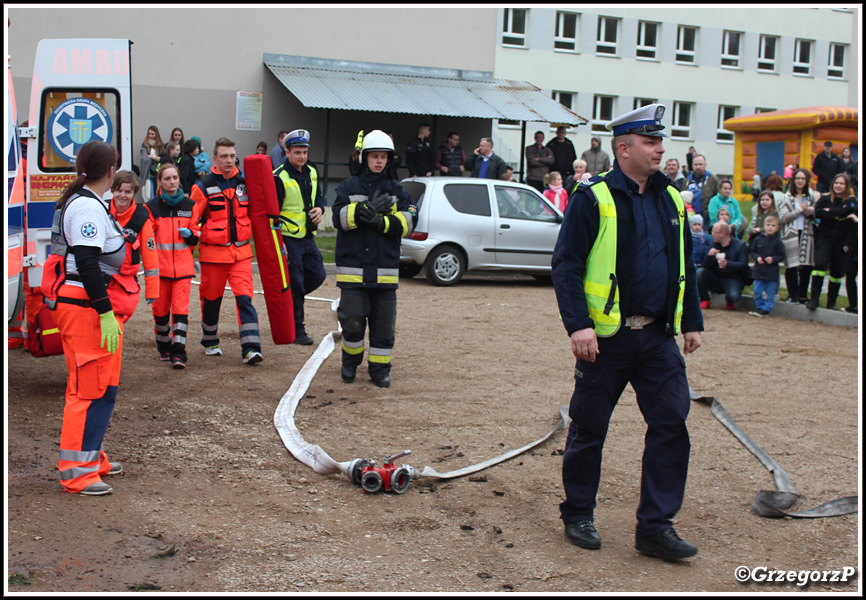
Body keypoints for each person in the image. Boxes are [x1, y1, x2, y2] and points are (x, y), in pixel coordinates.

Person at [551, 103, 703, 561]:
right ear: (624, 149)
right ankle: (578, 512)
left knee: (671, 425)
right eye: (651, 141)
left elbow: (684, 267)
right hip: (607, 338)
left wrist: (691, 321)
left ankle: (655, 528)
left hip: (657, 337)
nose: (660, 149)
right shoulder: (592, 197)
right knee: (590, 428)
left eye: (660, 141)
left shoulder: (672, 198)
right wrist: (578, 325)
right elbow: (567, 265)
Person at [42, 140, 129, 495]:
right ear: (110, 171)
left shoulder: (89, 203)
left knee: (103, 387)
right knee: (87, 389)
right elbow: (89, 263)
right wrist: (105, 311)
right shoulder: (87, 209)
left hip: (88, 305)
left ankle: (91, 457)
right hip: (86, 307)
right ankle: (76, 471)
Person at [332, 130, 417, 388]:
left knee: (383, 327)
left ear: (389, 160)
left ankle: (380, 371)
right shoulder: (348, 187)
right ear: (364, 158)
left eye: (383, 157)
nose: (379, 161)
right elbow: (337, 218)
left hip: (384, 271)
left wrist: (383, 222)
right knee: (352, 322)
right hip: (353, 271)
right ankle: (350, 362)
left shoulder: (398, 190)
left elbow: (411, 220)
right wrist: (362, 211)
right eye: (374, 156)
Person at [191, 137, 263, 364]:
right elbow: (192, 222)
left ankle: (251, 348)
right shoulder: (202, 187)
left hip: (241, 254)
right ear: (214, 159)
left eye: (232, 156)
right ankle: (210, 340)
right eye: (224, 156)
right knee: (211, 300)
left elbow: (258, 215)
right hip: (213, 255)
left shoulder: (246, 183)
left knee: (245, 299)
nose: (229, 160)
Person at [272, 128, 327, 345]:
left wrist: (320, 209)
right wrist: (279, 242)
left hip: (307, 237)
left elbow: (319, 196)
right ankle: (297, 330)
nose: (302, 156)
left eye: (304, 152)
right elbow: (272, 213)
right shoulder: (279, 176)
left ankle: (291, 302)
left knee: (318, 274)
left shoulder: (311, 171)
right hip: (289, 238)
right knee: (296, 281)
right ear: (287, 153)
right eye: (297, 152)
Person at [146, 163, 198, 368]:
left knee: (180, 312)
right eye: (167, 178)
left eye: (174, 177)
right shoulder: (151, 207)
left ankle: (179, 352)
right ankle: (164, 346)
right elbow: (148, 239)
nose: (172, 182)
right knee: (160, 313)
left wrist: (192, 235)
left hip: (183, 269)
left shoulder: (190, 205)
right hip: (160, 271)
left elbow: (196, 233)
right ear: (159, 182)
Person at [109, 170, 159, 324]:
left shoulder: (141, 217)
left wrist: (152, 289)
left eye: (127, 192)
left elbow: (150, 255)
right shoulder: (102, 212)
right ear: (112, 190)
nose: (122, 195)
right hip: (104, 277)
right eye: (119, 190)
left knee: (120, 318)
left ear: (134, 193)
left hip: (126, 279)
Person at [807, 172, 856, 310]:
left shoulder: (851, 200)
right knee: (820, 265)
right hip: (825, 238)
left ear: (846, 186)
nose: (838, 186)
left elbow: (845, 212)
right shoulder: (825, 197)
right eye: (836, 183)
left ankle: (832, 302)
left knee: (836, 271)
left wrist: (831, 212)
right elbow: (818, 212)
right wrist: (836, 214)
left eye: (841, 183)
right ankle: (814, 299)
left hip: (842, 240)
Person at [778, 168, 818, 304]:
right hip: (791, 234)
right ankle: (792, 295)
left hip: (807, 233)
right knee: (791, 265)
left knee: (806, 265)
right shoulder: (787, 197)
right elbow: (783, 217)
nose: (800, 181)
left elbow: (817, 213)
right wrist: (799, 210)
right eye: (797, 178)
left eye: (803, 178)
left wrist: (810, 210)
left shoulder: (811, 196)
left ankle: (802, 296)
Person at [697, 221, 751, 310]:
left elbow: (743, 265)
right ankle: (705, 299)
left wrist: (728, 264)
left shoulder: (740, 245)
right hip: (716, 277)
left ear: (723, 233)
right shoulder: (713, 244)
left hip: (732, 278)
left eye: (714, 232)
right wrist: (709, 256)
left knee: (733, 296)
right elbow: (705, 266)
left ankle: (730, 300)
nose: (712, 234)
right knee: (699, 272)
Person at [748, 215, 785, 317]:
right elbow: (753, 251)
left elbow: (781, 256)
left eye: (773, 226)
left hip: (771, 271)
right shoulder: (758, 239)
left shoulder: (778, 242)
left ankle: (767, 308)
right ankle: (759, 307)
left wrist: (773, 259)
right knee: (757, 290)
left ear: (777, 228)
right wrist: (757, 258)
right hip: (759, 270)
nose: (770, 227)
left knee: (770, 292)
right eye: (768, 225)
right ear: (764, 226)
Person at [683, 155, 719, 225]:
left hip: (706, 218)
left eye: (700, 164)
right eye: (696, 164)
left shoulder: (712, 179)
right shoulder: (687, 180)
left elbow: (719, 197)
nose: (698, 167)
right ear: (692, 165)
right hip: (689, 217)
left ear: (705, 165)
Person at [139, 125, 165, 203]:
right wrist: (154, 158)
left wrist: (153, 157)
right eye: (149, 134)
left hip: (158, 172)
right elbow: (144, 158)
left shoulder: (161, 146)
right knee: (149, 193)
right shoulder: (145, 146)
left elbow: (163, 159)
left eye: (152, 134)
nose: (150, 136)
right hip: (149, 173)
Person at [843, 210, 858, 314]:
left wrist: (857, 221)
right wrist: (848, 242)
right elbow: (853, 228)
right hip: (855, 246)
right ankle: (852, 305)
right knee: (850, 274)